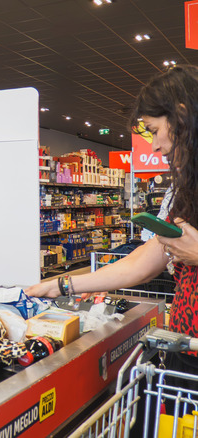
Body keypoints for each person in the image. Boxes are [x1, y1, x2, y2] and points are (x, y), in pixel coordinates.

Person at [26, 65, 198, 393]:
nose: (154, 146)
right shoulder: (185, 192)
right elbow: (142, 263)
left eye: (154, 130)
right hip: (185, 349)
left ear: (182, 115)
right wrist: (61, 285)